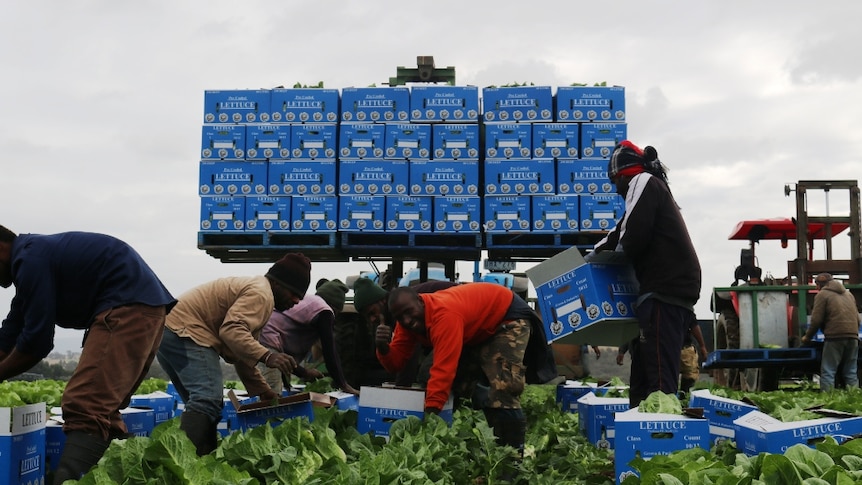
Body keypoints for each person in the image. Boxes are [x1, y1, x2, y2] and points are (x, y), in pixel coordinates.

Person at [0, 225, 176, 484]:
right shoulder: (31, 260)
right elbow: (12, 331)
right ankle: (141, 476)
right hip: (142, 307)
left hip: (127, 307)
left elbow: (36, 342)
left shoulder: (30, 259)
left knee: (85, 404)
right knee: (104, 412)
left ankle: (67, 480)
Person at [378, 283, 557, 460]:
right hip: (475, 329)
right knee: (444, 381)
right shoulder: (407, 323)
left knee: (503, 389)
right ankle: (475, 439)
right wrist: (383, 348)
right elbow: (396, 363)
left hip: (505, 317)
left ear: (420, 301)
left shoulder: (444, 314)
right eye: (400, 317)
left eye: (409, 312)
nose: (407, 320)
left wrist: (429, 418)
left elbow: (443, 370)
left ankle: (512, 460)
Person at [156, 252, 311, 455]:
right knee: (207, 399)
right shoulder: (261, 295)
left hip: (169, 330)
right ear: (279, 284)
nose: (297, 300)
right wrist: (268, 356)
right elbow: (231, 331)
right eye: (294, 293)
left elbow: (241, 352)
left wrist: (262, 391)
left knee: (206, 405)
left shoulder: (259, 292)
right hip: (186, 332)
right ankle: (178, 462)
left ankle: (203, 459)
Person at [590, 140, 701, 408]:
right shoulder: (646, 189)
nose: (616, 191)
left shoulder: (642, 182)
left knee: (660, 378)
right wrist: (591, 256)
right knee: (643, 373)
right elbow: (619, 231)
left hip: (665, 290)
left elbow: (631, 236)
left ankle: (663, 436)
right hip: (663, 290)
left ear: (621, 175)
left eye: (615, 183)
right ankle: (640, 427)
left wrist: (601, 262)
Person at [258, 278, 358, 395]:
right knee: (272, 400)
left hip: (260, 339)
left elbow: (286, 361)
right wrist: (343, 385)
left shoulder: (308, 304)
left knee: (276, 395)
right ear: (334, 307)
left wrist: (304, 372)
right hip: (267, 343)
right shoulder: (324, 310)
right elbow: (330, 351)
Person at [351, 277, 457, 387]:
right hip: (445, 324)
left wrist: (401, 392)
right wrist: (383, 348)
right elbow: (399, 358)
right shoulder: (393, 312)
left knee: (428, 373)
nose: (372, 319)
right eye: (368, 317)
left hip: (457, 316)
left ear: (382, 301)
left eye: (372, 312)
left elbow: (410, 355)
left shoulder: (400, 307)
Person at [801, 273, 861, 391]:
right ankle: (855, 399)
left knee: (828, 370)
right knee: (851, 371)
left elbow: (816, 320)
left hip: (835, 336)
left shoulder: (822, 295)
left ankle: (828, 400)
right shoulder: (848, 294)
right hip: (853, 336)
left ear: (819, 285)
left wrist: (807, 337)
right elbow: (858, 319)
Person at [679, 318, 709, 393]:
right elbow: (694, 325)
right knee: (690, 375)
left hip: (669, 348)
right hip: (682, 348)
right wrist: (702, 346)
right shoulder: (686, 308)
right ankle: (686, 395)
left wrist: (702, 346)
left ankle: (684, 395)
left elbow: (693, 325)